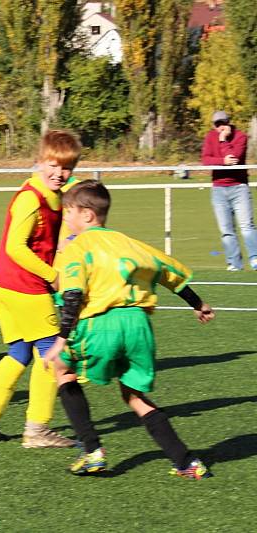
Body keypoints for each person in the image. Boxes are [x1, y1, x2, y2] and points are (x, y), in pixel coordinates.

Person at [42, 180, 215, 479]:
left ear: (86, 215)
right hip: (138, 326)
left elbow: (72, 295)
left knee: (62, 368)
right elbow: (170, 274)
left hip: (102, 323)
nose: (66, 219)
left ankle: (91, 450)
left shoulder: (78, 247)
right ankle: (187, 462)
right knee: (134, 395)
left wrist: (61, 338)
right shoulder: (129, 242)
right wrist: (198, 304)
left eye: (69, 212)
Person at [0, 130, 80, 449]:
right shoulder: (31, 198)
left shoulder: (55, 192)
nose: (59, 173)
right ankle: (37, 429)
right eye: (53, 165)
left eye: (67, 167)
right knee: (53, 355)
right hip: (23, 286)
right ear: (39, 161)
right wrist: (53, 275)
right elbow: (16, 247)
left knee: (18, 354)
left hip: (4, 284)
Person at [201, 110, 257, 271]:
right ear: (214, 125)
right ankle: (234, 264)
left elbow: (234, 158)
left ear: (229, 123)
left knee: (247, 226)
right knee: (226, 230)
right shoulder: (210, 137)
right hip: (219, 189)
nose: (221, 127)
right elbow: (206, 160)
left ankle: (255, 258)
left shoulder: (240, 136)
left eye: (223, 123)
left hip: (239, 187)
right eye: (218, 125)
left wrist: (223, 141)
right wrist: (222, 161)